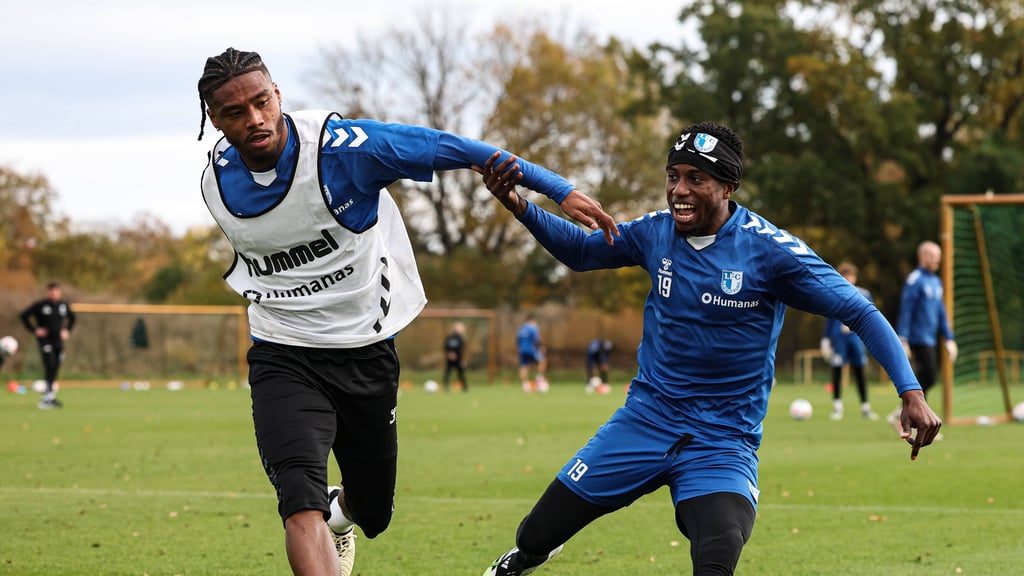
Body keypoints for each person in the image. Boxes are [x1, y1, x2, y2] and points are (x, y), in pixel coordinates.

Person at [195, 47, 615, 576]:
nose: (255, 120)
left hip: (365, 350)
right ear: (214, 118)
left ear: (277, 95)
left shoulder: (344, 151)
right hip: (284, 352)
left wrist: (560, 190)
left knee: (373, 510)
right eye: (235, 112)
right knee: (300, 502)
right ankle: (319, 515)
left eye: (262, 102)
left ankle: (341, 519)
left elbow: (455, 147)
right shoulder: (216, 181)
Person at [478, 121, 942, 576]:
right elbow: (581, 252)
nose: (679, 189)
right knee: (533, 534)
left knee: (717, 554)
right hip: (644, 422)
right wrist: (519, 204)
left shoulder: (771, 252)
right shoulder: (653, 233)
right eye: (673, 176)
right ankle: (524, 560)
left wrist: (911, 392)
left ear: (728, 187)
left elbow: (860, 312)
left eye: (696, 178)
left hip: (721, 442)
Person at [896, 241, 957, 399]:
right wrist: (903, 337)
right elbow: (906, 310)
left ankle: (914, 414)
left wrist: (949, 337)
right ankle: (907, 409)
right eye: (932, 256)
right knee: (929, 376)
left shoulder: (936, 282)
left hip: (930, 338)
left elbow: (941, 312)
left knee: (925, 377)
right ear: (921, 256)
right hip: (918, 337)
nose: (936, 260)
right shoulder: (915, 280)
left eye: (938, 256)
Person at [819, 262, 878, 420]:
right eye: (845, 275)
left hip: (856, 339)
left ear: (855, 277)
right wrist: (825, 339)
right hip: (839, 340)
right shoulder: (833, 292)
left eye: (850, 275)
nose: (848, 278)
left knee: (859, 372)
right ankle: (837, 407)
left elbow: (871, 317)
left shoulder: (864, 293)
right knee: (837, 371)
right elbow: (829, 317)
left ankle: (865, 407)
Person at [20, 281, 75, 410]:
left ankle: (50, 395)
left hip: (58, 341)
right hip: (45, 341)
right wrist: (34, 330)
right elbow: (24, 316)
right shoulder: (40, 305)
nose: (53, 293)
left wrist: (67, 330)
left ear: (59, 292)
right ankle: (47, 396)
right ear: (48, 292)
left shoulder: (63, 305)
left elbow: (73, 318)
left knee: (55, 366)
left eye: (55, 291)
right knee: (49, 364)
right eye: (51, 291)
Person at [516, 316, 548, 393]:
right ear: (532, 321)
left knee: (524, 366)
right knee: (542, 361)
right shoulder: (533, 328)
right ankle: (539, 379)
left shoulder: (520, 329)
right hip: (530, 349)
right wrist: (541, 347)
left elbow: (517, 341)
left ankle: (525, 385)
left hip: (521, 350)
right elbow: (537, 339)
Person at [442, 322, 467, 392]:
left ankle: (464, 386)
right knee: (450, 372)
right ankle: (463, 387)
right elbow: (460, 349)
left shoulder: (450, 337)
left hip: (453, 358)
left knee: (457, 372)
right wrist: (451, 354)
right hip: (456, 359)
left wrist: (450, 354)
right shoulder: (460, 338)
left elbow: (445, 347)